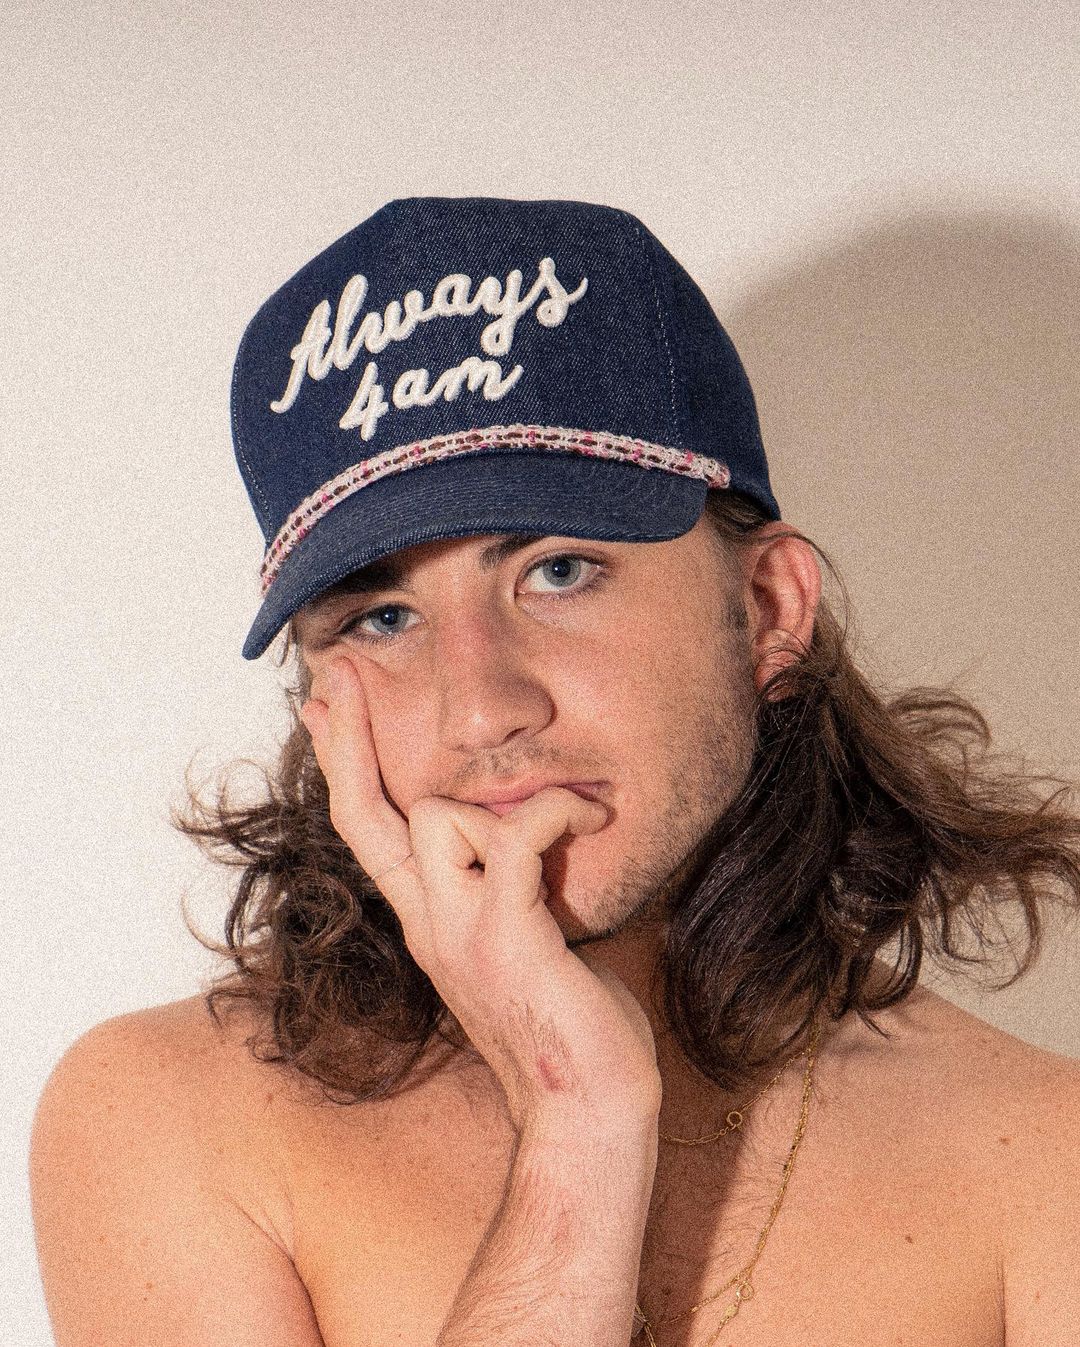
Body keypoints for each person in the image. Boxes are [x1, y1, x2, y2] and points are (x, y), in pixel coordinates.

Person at [30, 197, 1080, 1346]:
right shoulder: (176, 1116)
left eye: (560, 571)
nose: (482, 708)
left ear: (768, 608)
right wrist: (578, 1119)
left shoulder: (1039, 1159)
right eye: (383, 618)